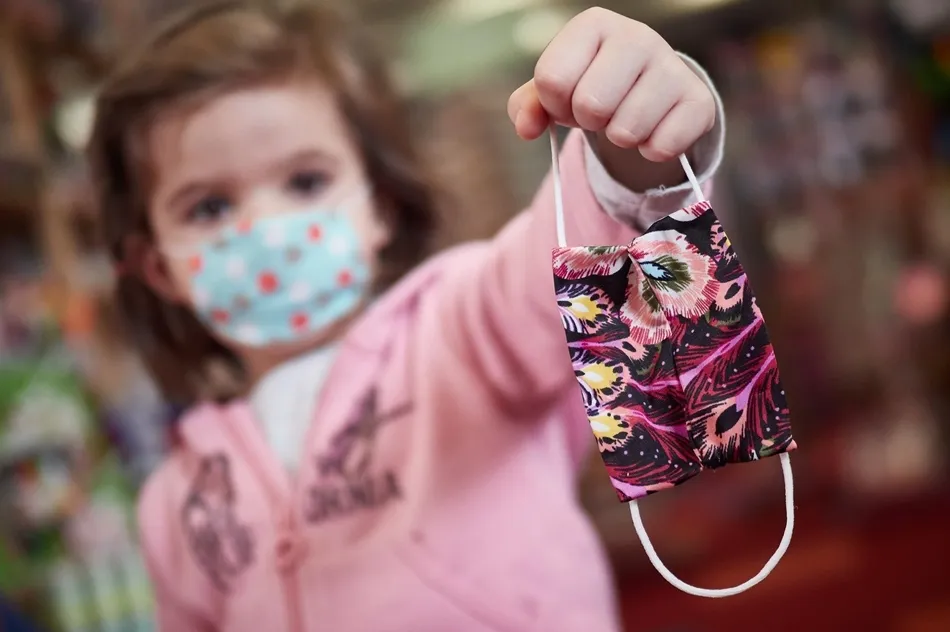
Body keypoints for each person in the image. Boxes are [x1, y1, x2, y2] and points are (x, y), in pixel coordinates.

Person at [87, 1, 723, 630]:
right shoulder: (176, 507)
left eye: (306, 182)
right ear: (158, 267)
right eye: (208, 208)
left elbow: (573, 263)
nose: (265, 229)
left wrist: (636, 154)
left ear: (381, 208)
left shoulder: (460, 333)